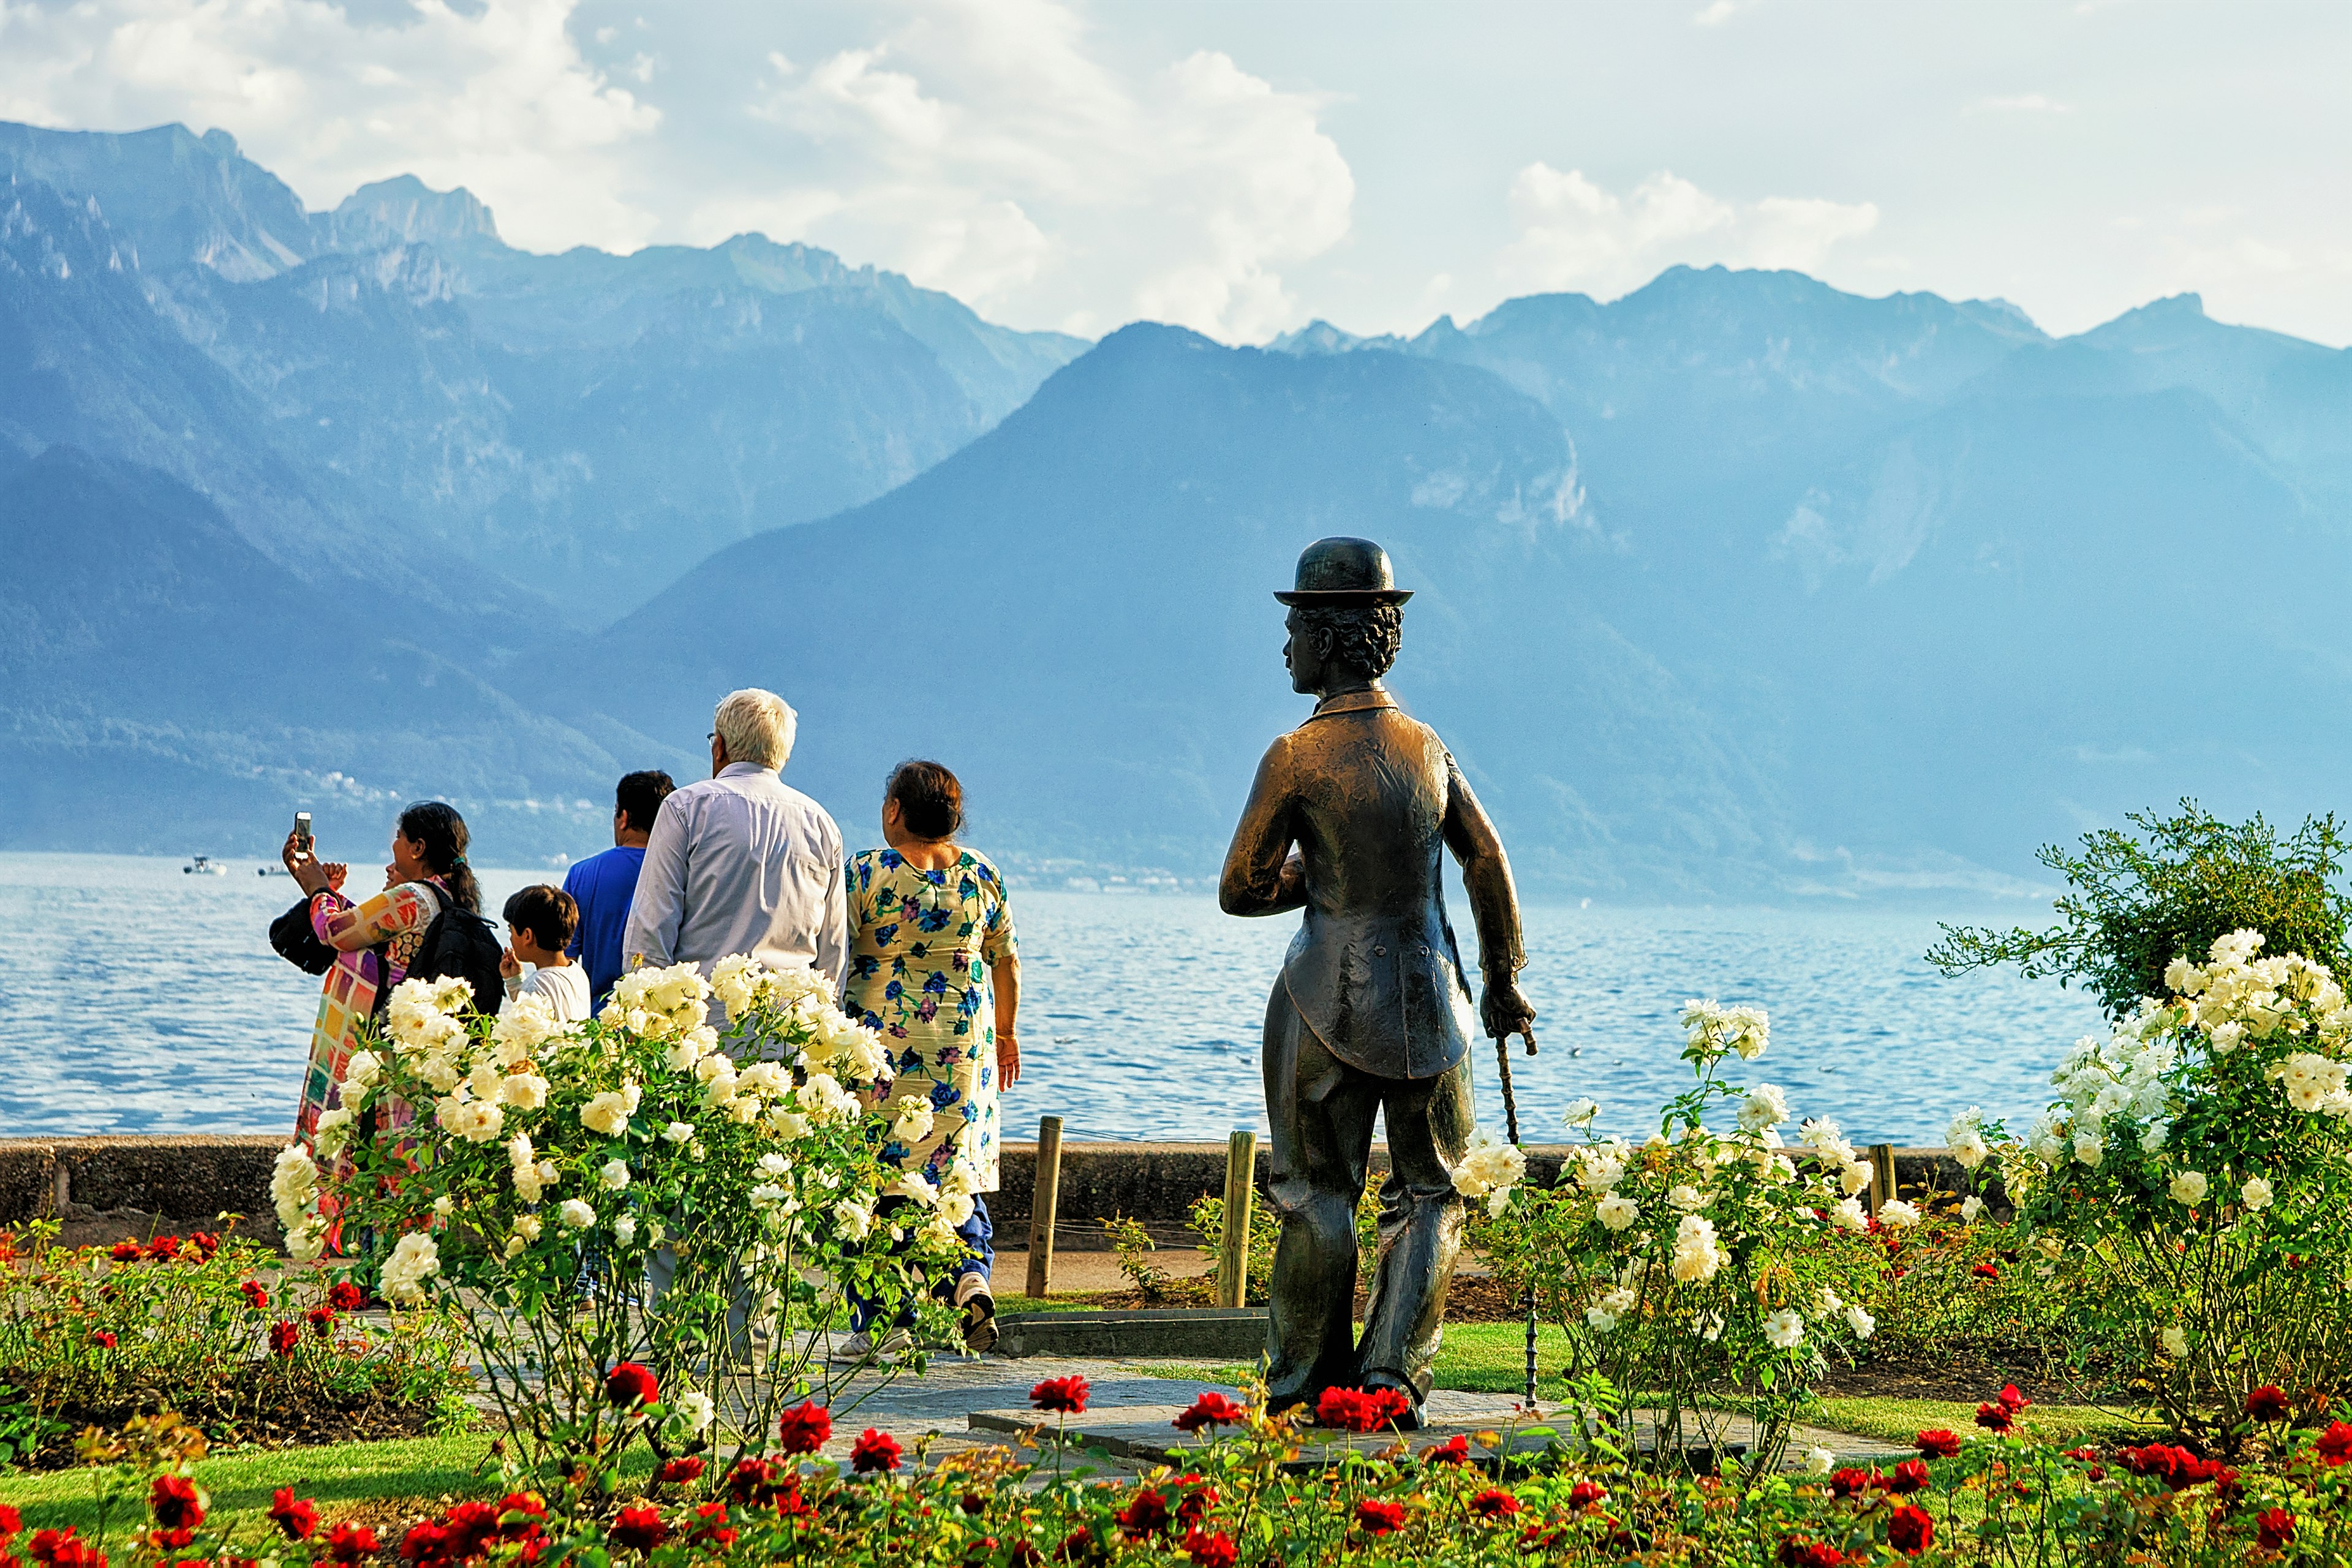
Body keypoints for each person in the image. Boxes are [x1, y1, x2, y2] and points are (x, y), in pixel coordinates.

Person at [1220, 537, 1538, 1431]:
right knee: (1433, 1194)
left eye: (1294, 628)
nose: (1286, 647)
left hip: (1324, 1002)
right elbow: (1486, 860)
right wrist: (1504, 981)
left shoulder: (1295, 755)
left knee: (1316, 1195)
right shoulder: (1427, 746)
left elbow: (1240, 888)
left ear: (1332, 636)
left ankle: (1298, 1387)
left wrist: (1320, 885)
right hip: (1434, 1002)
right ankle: (1392, 1383)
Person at [837, 761, 1021, 1359]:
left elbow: (835, 954)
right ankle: (970, 1273)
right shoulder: (981, 874)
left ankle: (882, 1319)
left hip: (881, 1060)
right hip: (961, 1061)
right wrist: (1008, 1034)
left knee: (876, 1187)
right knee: (954, 1178)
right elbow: (1007, 962)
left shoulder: (866, 873)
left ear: (894, 810)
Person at [284, 801, 486, 1185]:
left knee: (372, 1157)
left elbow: (337, 931)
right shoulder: (446, 897)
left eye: (399, 837)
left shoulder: (413, 897)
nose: (393, 846)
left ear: (418, 848)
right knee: (408, 1158)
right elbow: (372, 933)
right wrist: (325, 893)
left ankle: (355, 1239)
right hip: (417, 1054)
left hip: (383, 1053)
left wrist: (317, 889)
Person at [621, 690, 847, 1000]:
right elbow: (833, 948)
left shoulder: (686, 809)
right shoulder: (821, 825)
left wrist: (644, 1012)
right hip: (790, 1028)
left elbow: (652, 926)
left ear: (720, 747)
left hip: (700, 1024)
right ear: (784, 754)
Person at [564, 770, 674, 1012]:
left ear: (623, 817)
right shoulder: (683, 875)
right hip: (666, 1027)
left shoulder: (582, 875)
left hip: (600, 1025)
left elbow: (563, 963)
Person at [500, 885, 589, 1025]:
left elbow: (526, 1034)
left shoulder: (536, 985)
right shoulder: (578, 973)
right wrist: (515, 981)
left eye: (511, 931)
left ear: (527, 936)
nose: (511, 938)